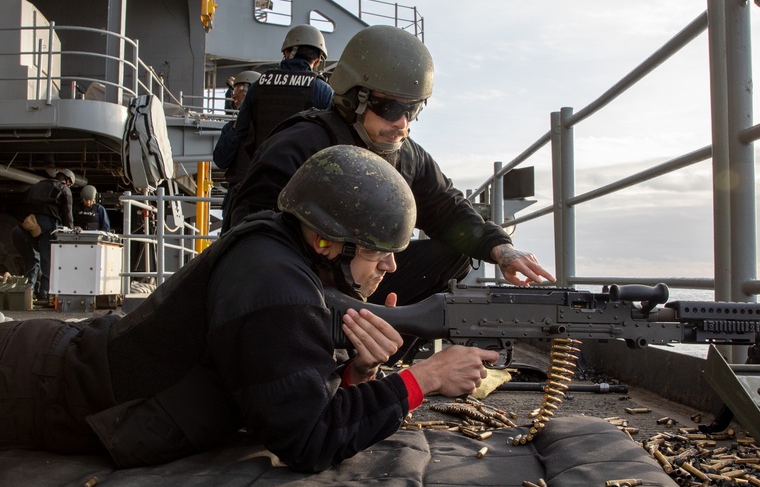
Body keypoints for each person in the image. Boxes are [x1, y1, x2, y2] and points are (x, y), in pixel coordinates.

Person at [0, 146, 494, 472]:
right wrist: (424, 379)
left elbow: (274, 384)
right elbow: (309, 440)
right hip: (35, 387)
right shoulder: (277, 287)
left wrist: (357, 374)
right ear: (328, 241)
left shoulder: (279, 246)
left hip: (53, 364)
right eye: (374, 250)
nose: (389, 265)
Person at [223, 25, 554, 307]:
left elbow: (445, 207)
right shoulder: (300, 144)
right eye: (390, 107)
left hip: (361, 285)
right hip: (301, 292)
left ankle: (379, 354)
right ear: (354, 98)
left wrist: (501, 249)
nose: (403, 123)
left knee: (454, 255)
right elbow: (255, 233)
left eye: (413, 110)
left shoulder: (407, 156)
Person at [231, 24, 334, 166]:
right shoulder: (323, 90)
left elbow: (242, 133)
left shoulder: (258, 85)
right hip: (302, 174)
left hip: (264, 170)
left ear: (286, 52)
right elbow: (334, 139)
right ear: (317, 61)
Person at [21, 168, 75, 301]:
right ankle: (44, 293)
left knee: (34, 258)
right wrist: (71, 229)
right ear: (67, 180)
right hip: (49, 224)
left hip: (31, 223)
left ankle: (28, 292)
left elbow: (23, 203)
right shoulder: (63, 189)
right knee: (48, 259)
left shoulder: (37, 185)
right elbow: (67, 212)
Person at [213, 69, 261, 217]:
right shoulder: (230, 127)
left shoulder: (264, 126)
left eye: (239, 89)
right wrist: (235, 129)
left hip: (259, 192)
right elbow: (221, 160)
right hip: (236, 194)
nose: (234, 95)